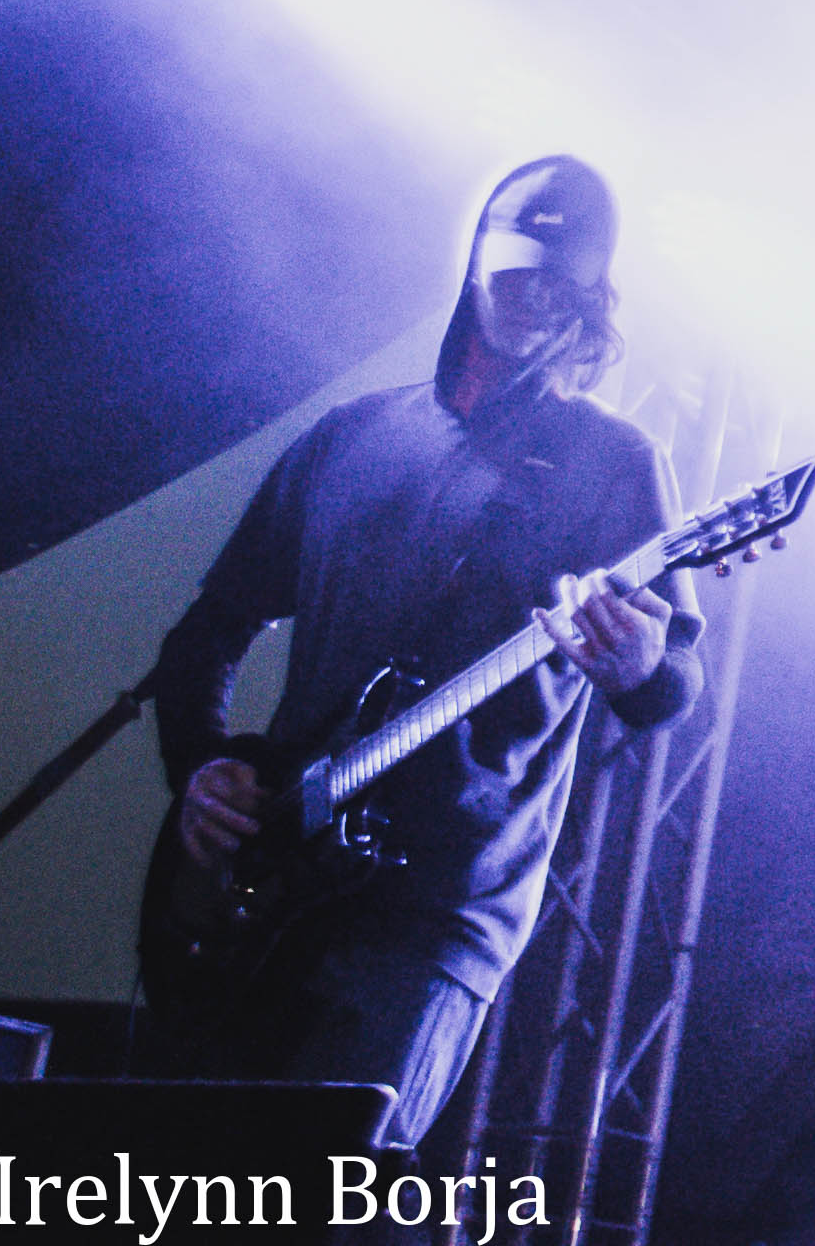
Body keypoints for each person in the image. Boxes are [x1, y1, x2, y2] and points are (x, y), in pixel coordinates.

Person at [141, 154, 696, 1155]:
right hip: (274, 868)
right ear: (476, 261)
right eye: (517, 270)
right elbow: (208, 635)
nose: (533, 297)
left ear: (589, 300)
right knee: (189, 1190)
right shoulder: (353, 435)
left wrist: (637, 666)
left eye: (560, 283)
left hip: (438, 910)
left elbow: (670, 689)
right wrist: (204, 767)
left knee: (328, 1197)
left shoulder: (616, 465)